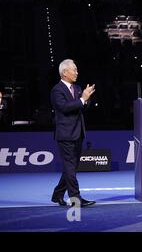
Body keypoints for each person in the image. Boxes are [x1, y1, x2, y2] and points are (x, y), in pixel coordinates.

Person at [50, 59, 96, 207]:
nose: (77, 72)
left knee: (71, 167)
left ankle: (57, 195)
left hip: (78, 133)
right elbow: (64, 108)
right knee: (70, 167)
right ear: (64, 73)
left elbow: (81, 108)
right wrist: (83, 99)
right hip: (65, 135)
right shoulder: (57, 90)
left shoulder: (77, 88)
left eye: (76, 70)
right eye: (74, 70)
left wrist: (86, 99)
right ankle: (75, 198)